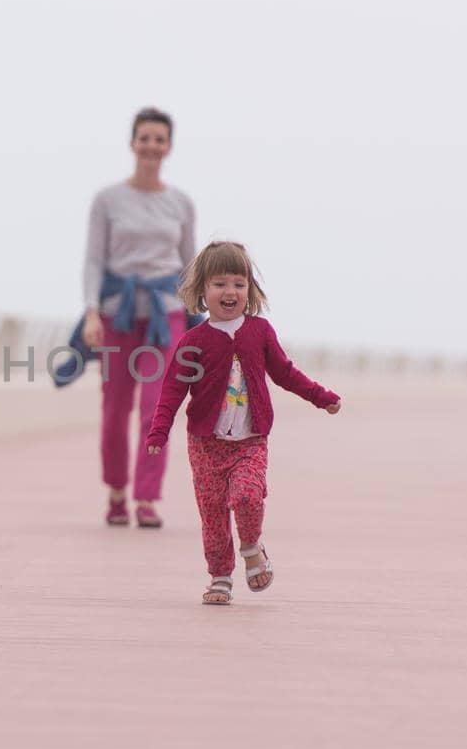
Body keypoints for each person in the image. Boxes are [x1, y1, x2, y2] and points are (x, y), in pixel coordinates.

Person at [146, 241, 341, 604]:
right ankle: (220, 576)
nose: (230, 291)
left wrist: (320, 396)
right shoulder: (194, 341)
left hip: (251, 439)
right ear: (203, 290)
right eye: (220, 283)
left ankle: (252, 546)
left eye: (238, 282)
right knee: (213, 514)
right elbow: (173, 389)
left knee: (248, 495)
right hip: (206, 443)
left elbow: (285, 373)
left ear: (249, 289)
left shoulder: (260, 332)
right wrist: (159, 430)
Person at [80, 106, 198, 528]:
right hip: (118, 316)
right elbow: (94, 260)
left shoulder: (181, 203)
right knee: (115, 410)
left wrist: (204, 318)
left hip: (165, 318)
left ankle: (147, 497)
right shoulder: (108, 199)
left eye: (159, 139)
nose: (151, 146)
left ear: (168, 146)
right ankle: (116, 491)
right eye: (144, 138)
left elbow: (189, 265)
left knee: (156, 410)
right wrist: (92, 312)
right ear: (133, 143)